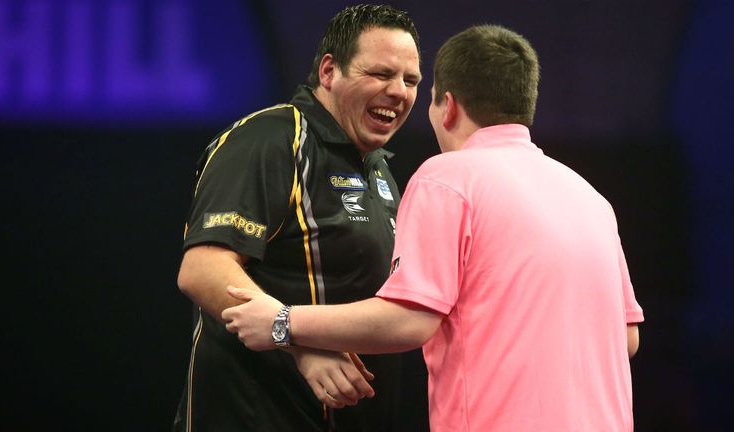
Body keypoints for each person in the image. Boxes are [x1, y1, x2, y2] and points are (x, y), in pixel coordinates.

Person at [222, 24, 645, 431]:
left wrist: (283, 323)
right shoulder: (591, 198)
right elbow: (626, 339)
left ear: (449, 106)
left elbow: (410, 322)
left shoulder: (447, 177)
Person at [173, 4, 425, 432]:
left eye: (411, 80)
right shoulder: (268, 140)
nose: (399, 91)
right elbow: (202, 270)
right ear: (329, 71)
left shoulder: (377, 167)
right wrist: (295, 341)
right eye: (381, 74)